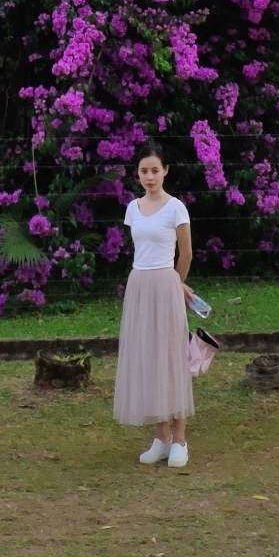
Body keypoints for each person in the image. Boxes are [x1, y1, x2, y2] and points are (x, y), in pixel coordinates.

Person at [113, 141, 196, 469]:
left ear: (165, 172)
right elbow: (139, 249)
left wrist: (177, 282)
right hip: (140, 285)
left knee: (171, 358)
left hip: (166, 284)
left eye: (155, 170)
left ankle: (180, 439)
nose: (150, 176)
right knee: (148, 358)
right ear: (138, 173)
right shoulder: (133, 209)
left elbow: (186, 253)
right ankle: (160, 438)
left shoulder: (176, 208)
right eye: (144, 171)